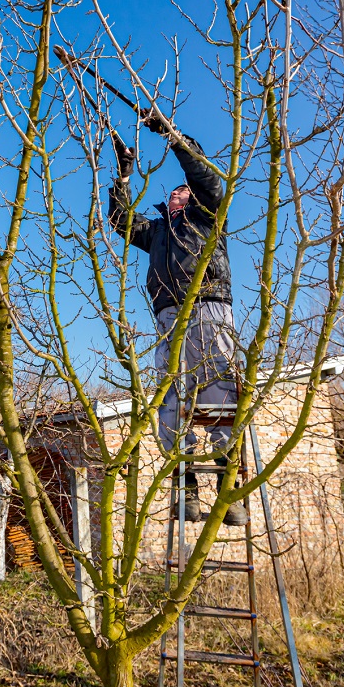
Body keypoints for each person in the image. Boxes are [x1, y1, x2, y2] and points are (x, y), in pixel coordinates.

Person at [108, 111, 248, 526]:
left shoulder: (208, 218)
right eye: (173, 192)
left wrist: (173, 137)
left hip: (208, 306)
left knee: (220, 391)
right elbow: (120, 221)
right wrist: (123, 175)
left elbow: (209, 180)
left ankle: (229, 492)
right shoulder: (157, 233)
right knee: (171, 400)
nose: (178, 194)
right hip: (168, 316)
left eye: (184, 191)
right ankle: (185, 488)